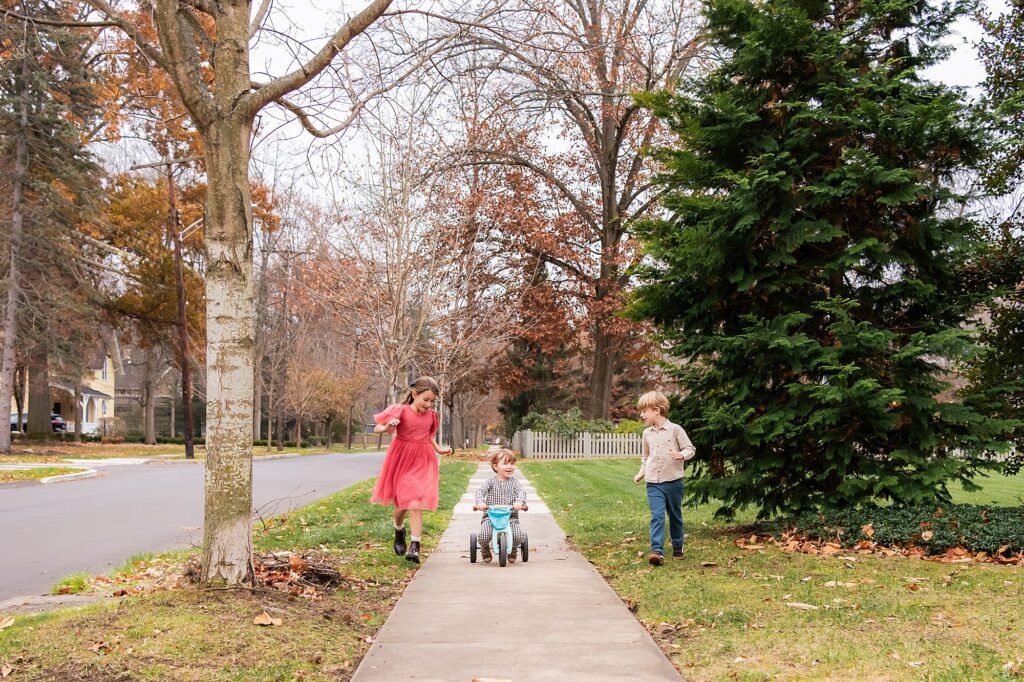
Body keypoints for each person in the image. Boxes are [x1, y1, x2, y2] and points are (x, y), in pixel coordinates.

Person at [371, 376, 452, 563]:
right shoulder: (400, 411)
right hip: (402, 459)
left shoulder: (431, 416)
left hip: (423, 459)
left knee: (416, 501)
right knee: (401, 506)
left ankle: (415, 546)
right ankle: (399, 530)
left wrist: (439, 449)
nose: (429, 404)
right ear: (414, 394)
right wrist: (386, 427)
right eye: (426, 399)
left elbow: (427, 435)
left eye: (432, 401)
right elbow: (377, 428)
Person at [632, 390, 696, 565]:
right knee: (657, 516)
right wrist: (641, 473)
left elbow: (690, 449)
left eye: (644, 411)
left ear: (656, 411)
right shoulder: (647, 434)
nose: (641, 414)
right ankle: (657, 552)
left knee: (675, 515)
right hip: (653, 482)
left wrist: (681, 455)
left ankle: (677, 547)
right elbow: (646, 457)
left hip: (674, 481)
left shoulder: (675, 429)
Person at [473, 449, 527, 563]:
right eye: (505, 463)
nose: (510, 466)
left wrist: (519, 502)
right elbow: (480, 492)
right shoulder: (490, 481)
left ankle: (513, 548)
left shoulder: (514, 482)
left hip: (510, 517)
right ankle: (484, 548)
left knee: (518, 536)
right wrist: (480, 503)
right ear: (496, 466)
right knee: (483, 535)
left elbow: (521, 492)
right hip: (490, 516)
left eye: (512, 464)